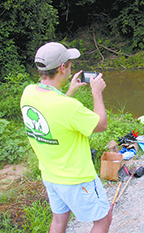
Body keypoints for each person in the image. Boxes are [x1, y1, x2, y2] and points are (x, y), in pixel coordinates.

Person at [20, 42, 112, 232]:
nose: (71, 67)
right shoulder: (67, 107)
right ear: (63, 68)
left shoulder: (28, 93)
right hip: (76, 177)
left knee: (59, 220)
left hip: (50, 174)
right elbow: (101, 124)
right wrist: (97, 93)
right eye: (70, 63)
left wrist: (69, 92)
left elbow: (54, 110)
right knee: (103, 219)